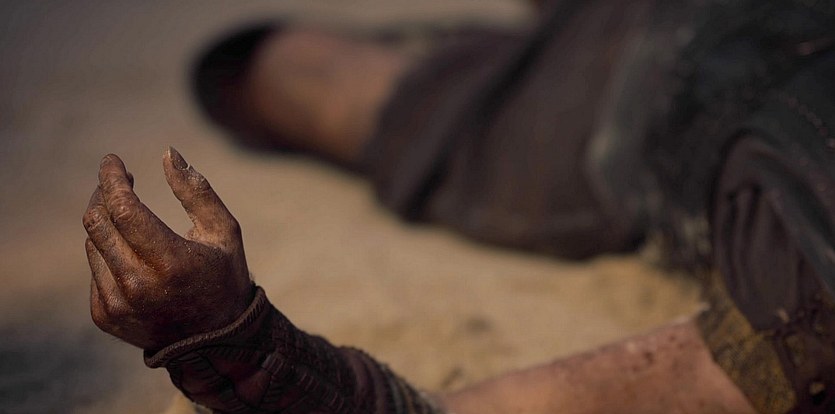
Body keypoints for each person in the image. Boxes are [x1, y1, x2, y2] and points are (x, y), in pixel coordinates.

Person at [82, 0, 835, 412]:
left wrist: (238, 347)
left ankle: (454, 53)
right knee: (265, 74)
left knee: (255, 73)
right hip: (647, 72)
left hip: (627, 85)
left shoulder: (811, 312)